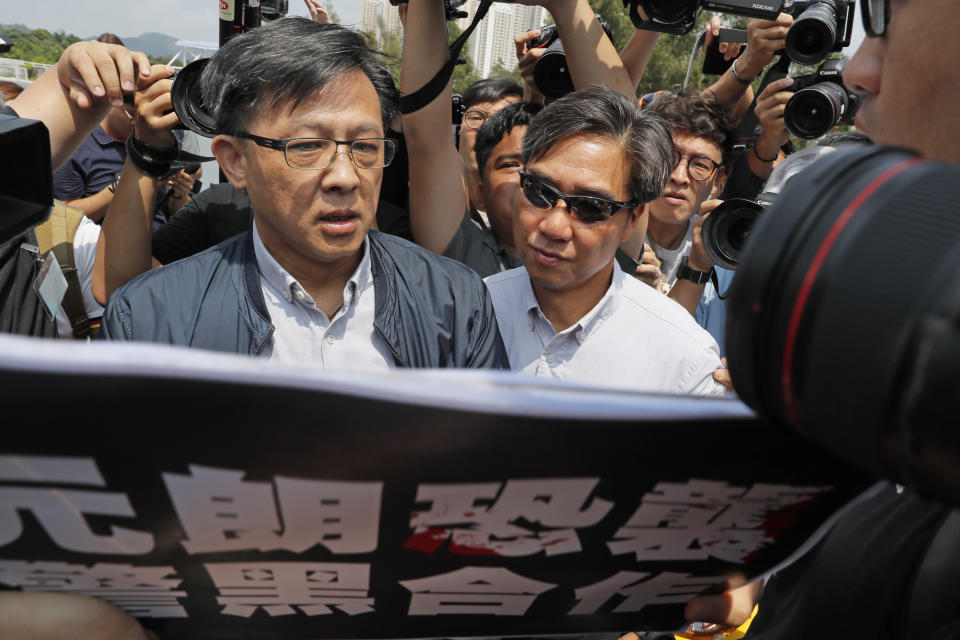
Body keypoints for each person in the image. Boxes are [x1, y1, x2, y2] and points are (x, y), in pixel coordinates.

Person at [97, 18, 507, 370]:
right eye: (308, 147)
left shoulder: (459, 303)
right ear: (235, 160)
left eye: (365, 147)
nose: (345, 177)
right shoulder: (148, 318)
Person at [484, 86, 726, 396]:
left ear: (633, 219)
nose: (555, 226)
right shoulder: (465, 313)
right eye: (539, 190)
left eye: (590, 207)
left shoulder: (684, 361)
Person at [400, 0, 635, 278]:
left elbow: (626, 136)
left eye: (544, 173)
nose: (529, 182)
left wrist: (568, 6)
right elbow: (426, 139)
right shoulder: (462, 256)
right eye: (511, 165)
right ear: (480, 189)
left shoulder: (603, 250)